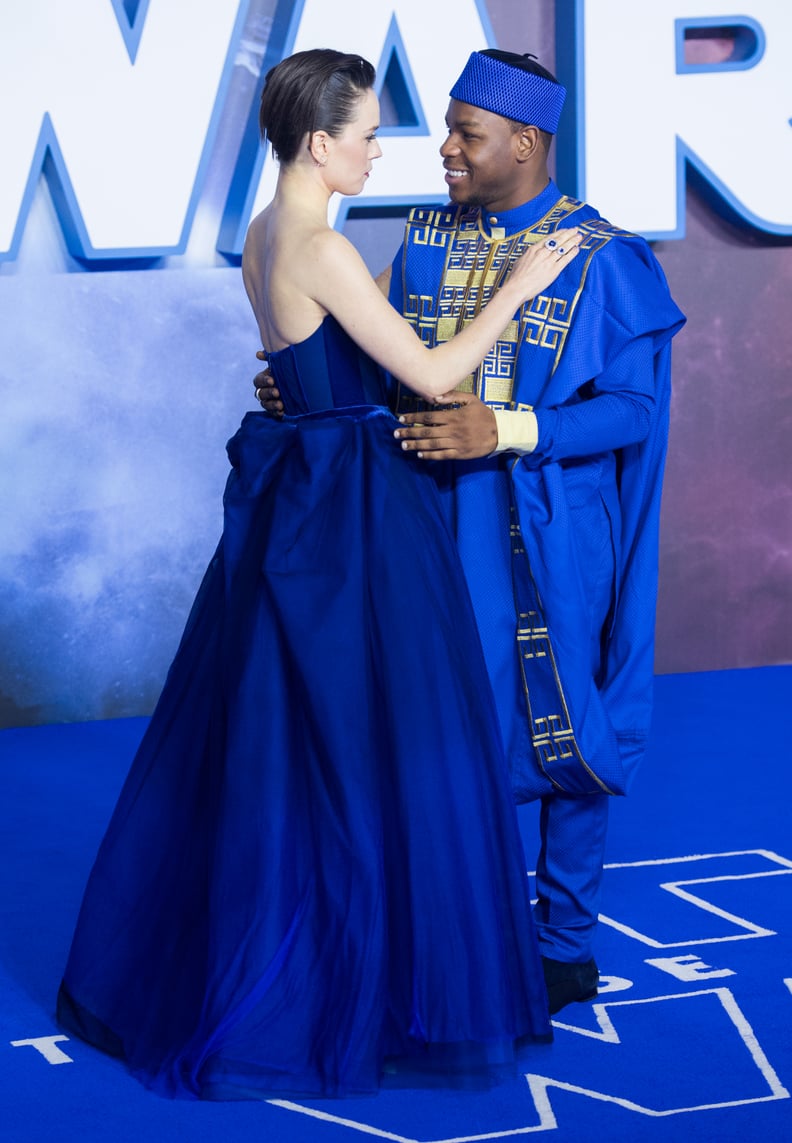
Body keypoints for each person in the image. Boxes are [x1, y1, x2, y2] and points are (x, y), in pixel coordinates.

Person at [56, 49, 584, 1101]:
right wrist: (524, 286)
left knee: (288, 735)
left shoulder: (266, 232)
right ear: (319, 143)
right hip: (347, 506)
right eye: (369, 134)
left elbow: (317, 360)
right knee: (365, 743)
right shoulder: (321, 246)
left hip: (307, 488)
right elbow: (431, 377)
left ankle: (318, 950)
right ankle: (351, 982)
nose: (381, 150)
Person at [256, 49, 686, 1015]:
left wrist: (511, 429)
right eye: (447, 128)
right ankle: (464, 926)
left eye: (467, 135)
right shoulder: (424, 241)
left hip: (555, 530)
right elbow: (388, 363)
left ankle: (564, 940)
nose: (444, 150)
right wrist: (308, 377)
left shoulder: (603, 255)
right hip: (431, 526)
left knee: (567, 723)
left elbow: (633, 412)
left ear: (527, 143)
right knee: (438, 730)